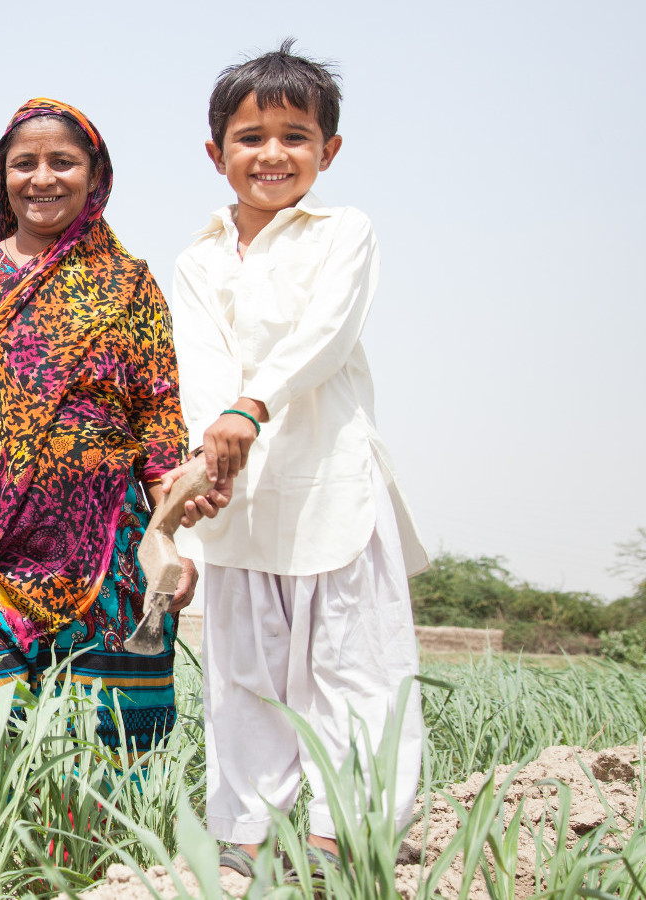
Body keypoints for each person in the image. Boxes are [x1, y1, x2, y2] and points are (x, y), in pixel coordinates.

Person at [164, 41, 428, 876]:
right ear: (217, 154)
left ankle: (339, 834)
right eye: (250, 137)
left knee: (354, 668)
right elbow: (200, 364)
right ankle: (246, 835)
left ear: (328, 151)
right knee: (245, 673)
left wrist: (251, 406)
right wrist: (204, 460)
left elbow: (326, 336)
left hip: (330, 483)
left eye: (294, 136)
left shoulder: (343, 233)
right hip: (240, 493)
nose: (271, 154)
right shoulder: (198, 258)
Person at [0, 99, 217, 758]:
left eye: (62, 162)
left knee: (100, 757)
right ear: (0, 177)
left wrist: (172, 540)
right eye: (24, 163)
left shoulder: (129, 286)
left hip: (109, 557)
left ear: (95, 176)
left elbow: (157, 416)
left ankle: (96, 866)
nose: (42, 178)